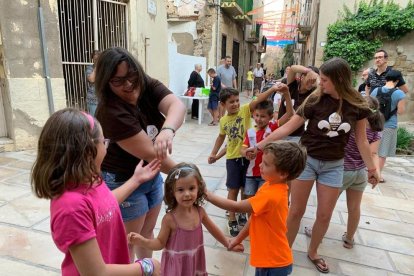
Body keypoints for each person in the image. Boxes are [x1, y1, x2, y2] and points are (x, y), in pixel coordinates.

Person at [247, 57, 380, 273]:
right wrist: (260, 146)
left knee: (325, 215)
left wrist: (372, 170)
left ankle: (313, 251)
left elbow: (362, 140)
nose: (320, 84)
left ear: (339, 80)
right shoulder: (315, 99)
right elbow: (288, 127)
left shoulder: (357, 104)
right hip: (307, 161)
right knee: (296, 211)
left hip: (335, 165)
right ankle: (284, 253)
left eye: (325, 80)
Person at [31, 108, 161, 275]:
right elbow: (96, 273)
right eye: (103, 141)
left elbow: (103, 205)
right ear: (88, 150)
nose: (106, 148)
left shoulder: (89, 180)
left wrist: (135, 180)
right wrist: (145, 267)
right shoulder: (71, 207)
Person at [94, 47, 186, 260]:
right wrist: (187, 176)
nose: (128, 85)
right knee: (128, 241)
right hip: (123, 180)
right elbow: (154, 156)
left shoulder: (144, 83)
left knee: (146, 234)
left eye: (131, 76)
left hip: (150, 175)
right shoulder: (110, 112)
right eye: (118, 81)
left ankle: (146, 270)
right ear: (106, 82)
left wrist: (168, 129)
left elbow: (176, 105)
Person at [206, 141, 307, 276]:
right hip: (268, 260)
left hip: (274, 264)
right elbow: (255, 217)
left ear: (283, 174)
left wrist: (205, 194)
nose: (260, 165)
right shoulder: (270, 185)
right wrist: (237, 239)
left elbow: (235, 206)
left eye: (265, 164)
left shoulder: (271, 195)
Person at [127, 163, 244, 275]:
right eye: (181, 190)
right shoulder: (170, 219)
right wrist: (142, 241)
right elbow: (160, 243)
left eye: (191, 188)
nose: (187, 194)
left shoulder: (200, 212)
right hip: (177, 267)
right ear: (172, 192)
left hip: (195, 262)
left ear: (199, 188)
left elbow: (214, 230)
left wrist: (226, 243)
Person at [208, 83, 288, 237]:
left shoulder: (245, 110)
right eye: (231, 102)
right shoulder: (224, 121)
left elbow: (259, 99)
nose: (236, 104)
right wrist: (214, 154)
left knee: (246, 188)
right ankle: (232, 217)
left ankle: (242, 213)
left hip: (249, 158)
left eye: (237, 100)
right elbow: (223, 139)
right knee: (233, 189)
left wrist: (272, 89)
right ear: (223, 104)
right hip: (233, 159)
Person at [339, 96, 384, 249]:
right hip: (360, 173)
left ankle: (316, 230)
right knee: (354, 207)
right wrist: (375, 172)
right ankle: (350, 238)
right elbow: (373, 154)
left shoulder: (352, 126)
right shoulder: (376, 131)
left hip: (342, 171)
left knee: (327, 205)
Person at [241, 87, 294, 198]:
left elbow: (289, 114)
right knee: (250, 200)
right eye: (257, 115)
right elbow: (242, 149)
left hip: (267, 174)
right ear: (253, 115)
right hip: (250, 173)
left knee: (262, 200)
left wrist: (287, 95)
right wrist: (246, 154)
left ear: (270, 117)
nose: (259, 119)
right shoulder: (250, 132)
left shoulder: (273, 127)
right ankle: (249, 217)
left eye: (263, 116)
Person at [370, 70, 407, 183]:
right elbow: (401, 111)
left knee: (373, 150)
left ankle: (369, 171)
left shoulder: (376, 90)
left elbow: (369, 106)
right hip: (389, 125)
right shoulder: (400, 94)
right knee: (383, 153)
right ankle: (378, 175)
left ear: (386, 78)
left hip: (375, 124)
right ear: (397, 81)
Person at [277, 65, 319, 143]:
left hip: (296, 136)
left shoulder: (313, 96)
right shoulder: (292, 86)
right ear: (302, 77)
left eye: (314, 81)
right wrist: (309, 71)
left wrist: (317, 77)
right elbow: (292, 69)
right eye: (309, 80)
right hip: (278, 132)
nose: (311, 83)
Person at [85, 50, 100, 116]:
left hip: (103, 99)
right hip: (93, 100)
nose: (96, 61)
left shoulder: (104, 68)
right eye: (95, 59)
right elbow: (91, 79)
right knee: (94, 120)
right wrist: (96, 67)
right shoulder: (90, 68)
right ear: (92, 59)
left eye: (98, 59)